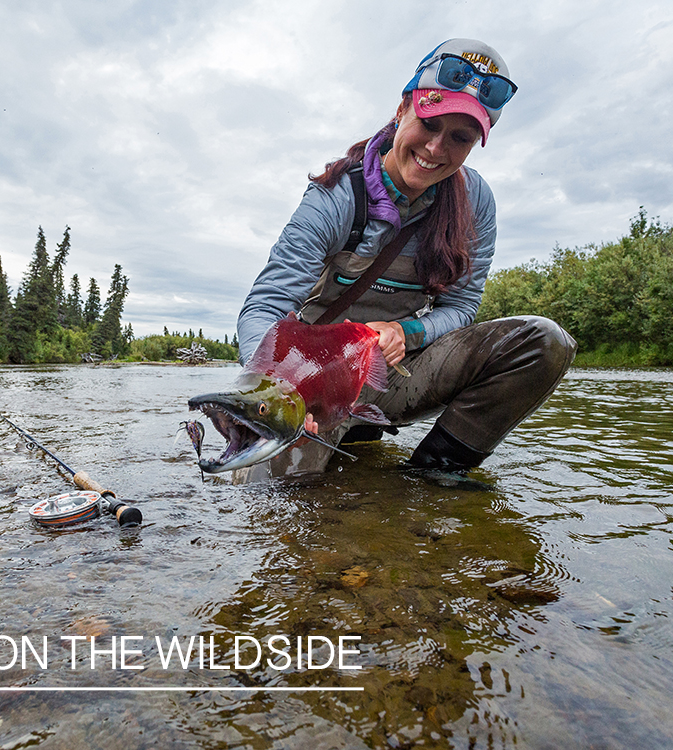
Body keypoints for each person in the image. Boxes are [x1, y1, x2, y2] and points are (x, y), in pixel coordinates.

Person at [235, 38, 576, 478]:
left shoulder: (477, 203)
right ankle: (326, 439)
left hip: (395, 374)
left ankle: (432, 478)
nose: (436, 148)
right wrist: (280, 392)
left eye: (459, 138)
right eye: (429, 124)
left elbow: (462, 308)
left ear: (475, 145)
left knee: (544, 342)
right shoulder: (336, 196)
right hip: (314, 381)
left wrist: (406, 330)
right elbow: (265, 306)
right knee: (273, 500)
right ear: (402, 111)